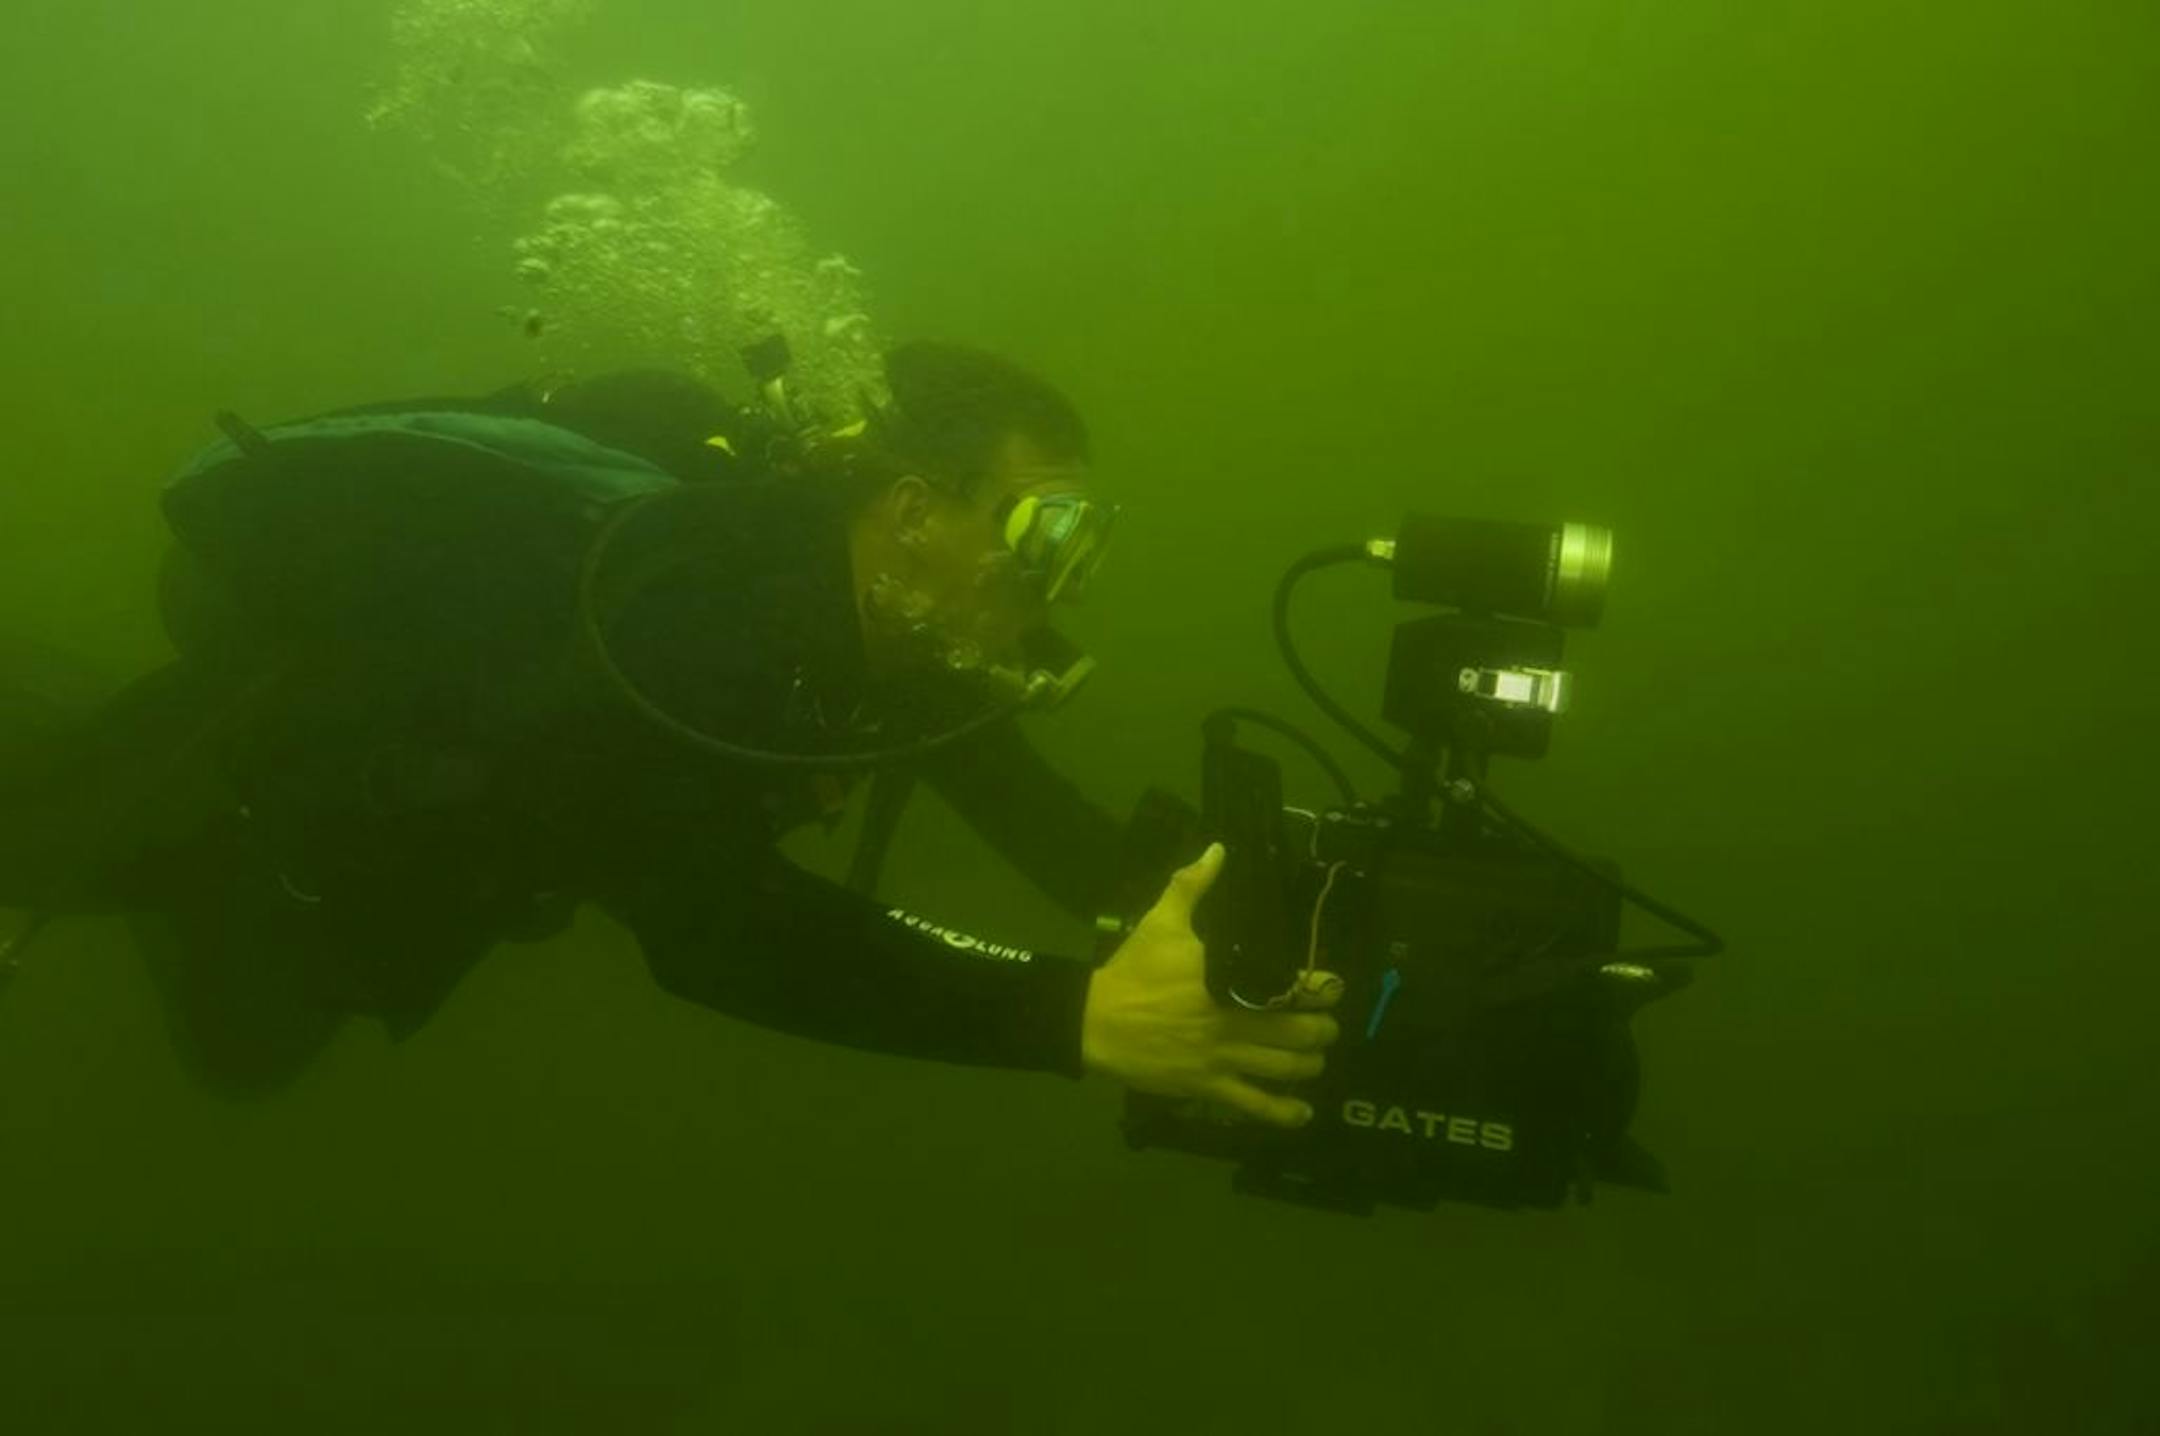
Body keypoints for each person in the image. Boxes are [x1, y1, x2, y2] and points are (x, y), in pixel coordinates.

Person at [0, 341, 1342, 1125]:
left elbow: (1057, 836)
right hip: (241, 789)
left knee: (252, 1055)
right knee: (42, 848)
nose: (1056, 580)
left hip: (407, 881)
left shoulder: (899, 649)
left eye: (1083, 542)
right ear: (914, 511)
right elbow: (717, 930)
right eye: (1042, 530)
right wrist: (1077, 1018)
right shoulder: (689, 614)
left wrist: (1281, 928)